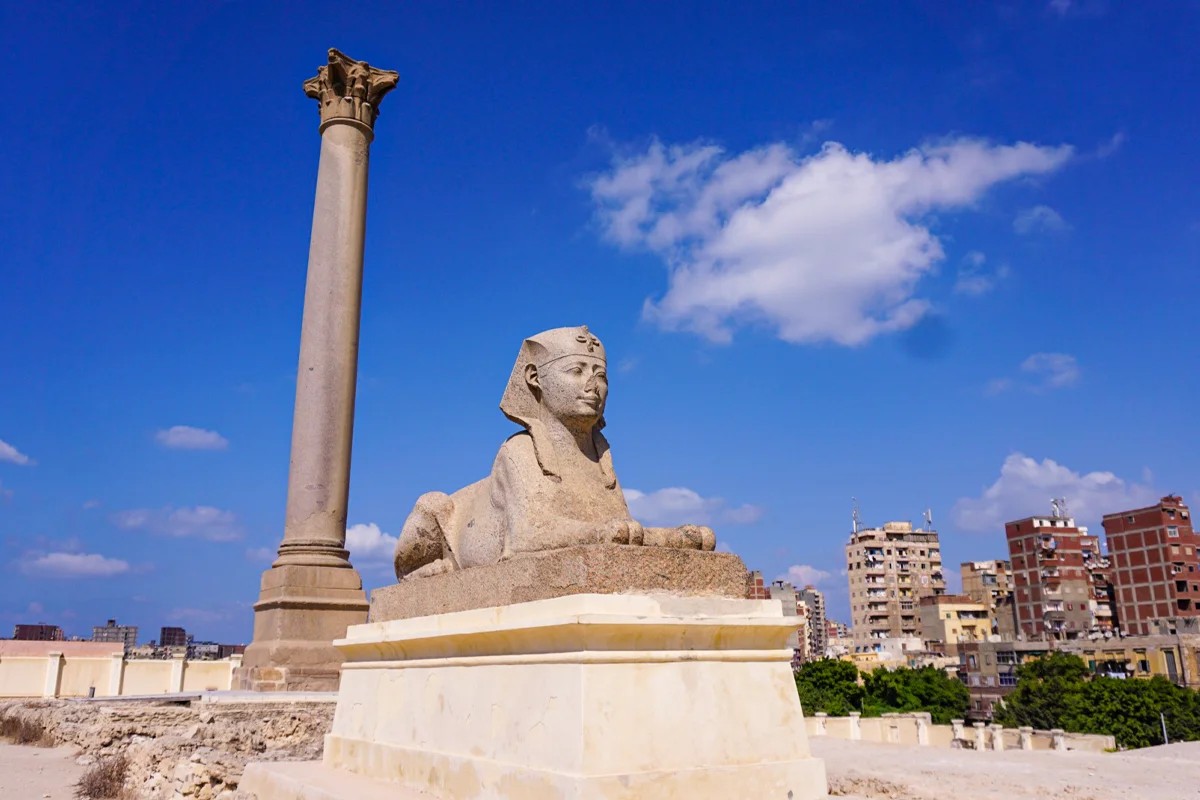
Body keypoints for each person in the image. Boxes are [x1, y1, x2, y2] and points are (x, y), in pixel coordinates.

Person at [394, 325, 715, 580]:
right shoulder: (518, 450)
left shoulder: (600, 454)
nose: (593, 386)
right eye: (576, 371)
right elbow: (526, 538)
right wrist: (600, 533)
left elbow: (625, 532)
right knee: (433, 504)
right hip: (454, 536)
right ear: (535, 378)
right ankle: (414, 573)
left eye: (600, 375)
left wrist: (674, 538)